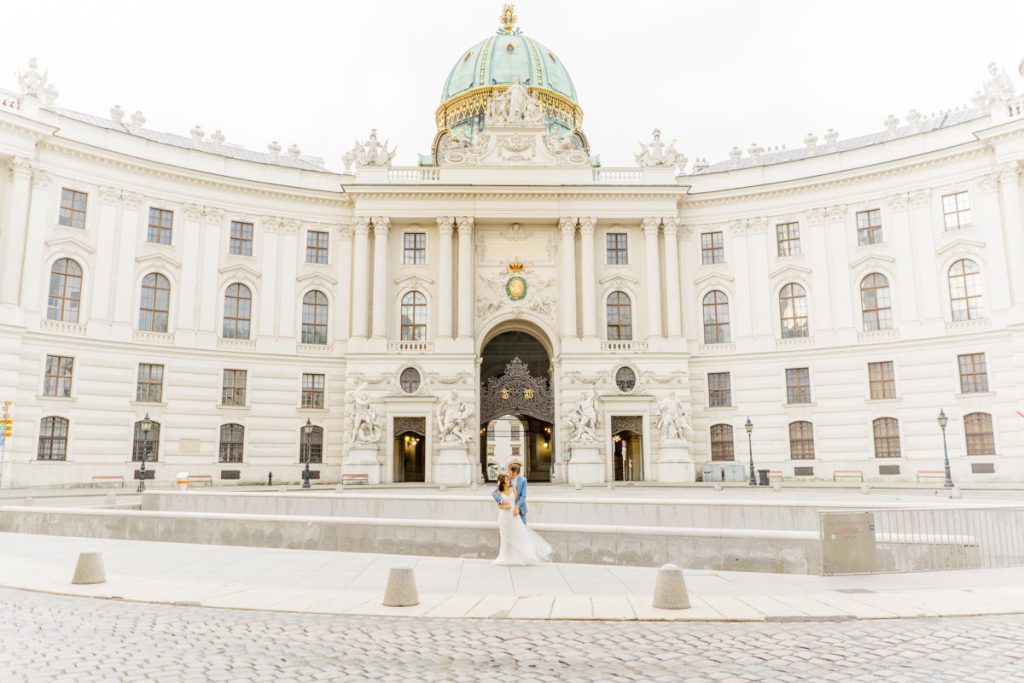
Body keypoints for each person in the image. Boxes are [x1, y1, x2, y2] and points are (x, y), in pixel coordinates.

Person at [492, 473, 552, 566]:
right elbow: (498, 505)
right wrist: (504, 506)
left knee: (519, 533)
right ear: (502, 482)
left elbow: (517, 501)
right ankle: (503, 556)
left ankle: (520, 556)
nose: (509, 481)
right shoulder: (499, 493)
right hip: (503, 516)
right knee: (504, 537)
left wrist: (516, 508)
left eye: (508, 479)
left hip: (514, 516)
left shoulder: (514, 489)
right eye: (506, 479)